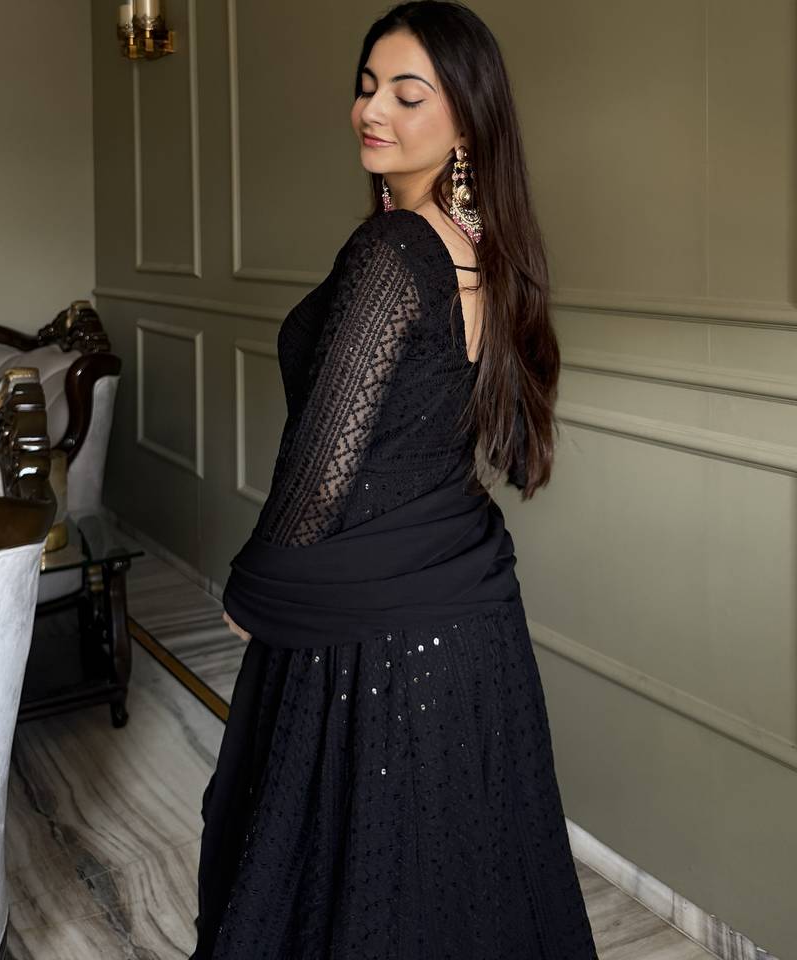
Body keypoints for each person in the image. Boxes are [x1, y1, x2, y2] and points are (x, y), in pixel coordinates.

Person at [189, 2, 599, 957]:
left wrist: (256, 594)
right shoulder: (480, 252)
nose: (372, 110)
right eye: (367, 86)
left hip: (365, 629)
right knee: (455, 880)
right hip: (470, 623)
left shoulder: (394, 249)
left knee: (341, 882)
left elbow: (324, 464)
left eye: (408, 95)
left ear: (467, 122)